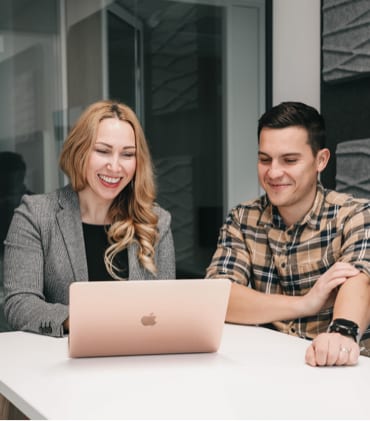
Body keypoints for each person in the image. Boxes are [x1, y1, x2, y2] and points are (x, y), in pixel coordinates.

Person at [206, 101, 370, 367]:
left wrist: (342, 332)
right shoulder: (242, 218)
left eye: (289, 160)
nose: (273, 172)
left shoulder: (355, 215)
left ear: (321, 160)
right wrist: (305, 304)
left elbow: (360, 280)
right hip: (271, 368)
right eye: (264, 159)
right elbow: (217, 297)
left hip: (342, 374)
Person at [3, 100, 176, 337]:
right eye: (103, 151)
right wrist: (82, 320)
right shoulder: (35, 215)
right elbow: (19, 303)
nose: (115, 167)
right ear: (79, 151)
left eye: (127, 154)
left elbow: (167, 309)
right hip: (65, 364)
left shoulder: (156, 221)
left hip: (139, 360)